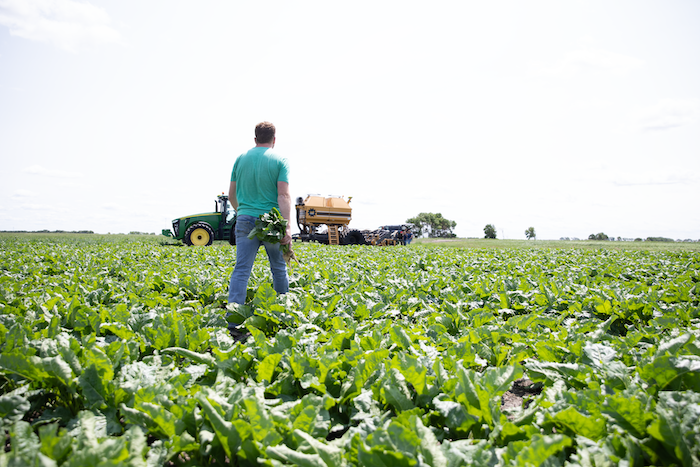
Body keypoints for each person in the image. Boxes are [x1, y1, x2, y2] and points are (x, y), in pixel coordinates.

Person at [227, 122, 292, 333]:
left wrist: (243, 212)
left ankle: (234, 321)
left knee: (242, 270)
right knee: (278, 267)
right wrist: (287, 226)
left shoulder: (240, 159)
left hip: (245, 219)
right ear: (274, 140)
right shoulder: (280, 160)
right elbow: (283, 195)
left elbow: (231, 196)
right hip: (271, 223)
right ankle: (282, 313)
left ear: (255, 139)